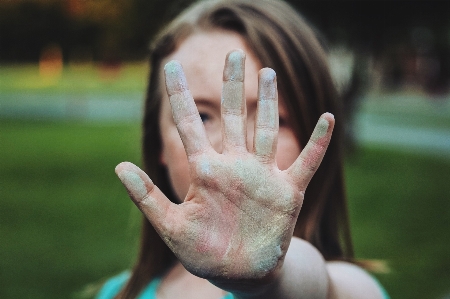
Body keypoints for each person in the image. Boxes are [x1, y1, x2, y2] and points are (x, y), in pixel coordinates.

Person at [97, 0, 389, 298]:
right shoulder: (116, 293)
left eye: (273, 117)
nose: (235, 152)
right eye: (201, 117)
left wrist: (270, 279)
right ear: (159, 144)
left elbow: (316, 284)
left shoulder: (349, 288)